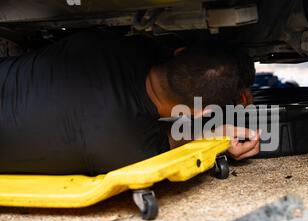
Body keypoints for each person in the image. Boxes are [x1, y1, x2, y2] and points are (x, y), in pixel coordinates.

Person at [0, 30, 259, 175]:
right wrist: (218, 137)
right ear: (200, 111)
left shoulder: (101, 42)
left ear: (179, 53)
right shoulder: (133, 153)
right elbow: (173, 140)